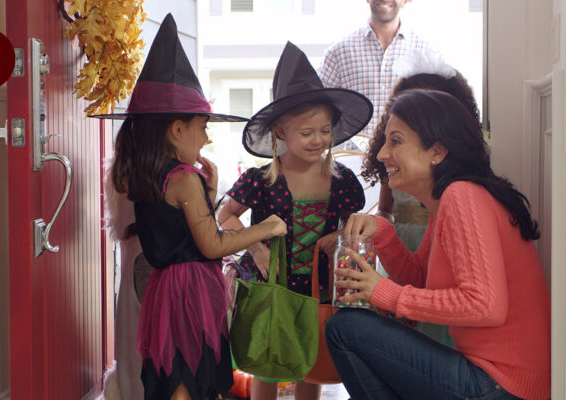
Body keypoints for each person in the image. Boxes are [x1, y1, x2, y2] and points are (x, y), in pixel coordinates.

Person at [94, 14, 288, 400]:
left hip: (164, 292)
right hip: (189, 294)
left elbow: (176, 229)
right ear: (176, 130)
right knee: (190, 375)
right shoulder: (184, 178)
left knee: (174, 377)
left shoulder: (148, 174)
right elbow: (211, 246)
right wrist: (265, 228)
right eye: (201, 126)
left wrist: (209, 192)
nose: (206, 137)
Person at [325, 89, 551, 400]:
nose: (381, 154)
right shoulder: (447, 202)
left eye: (396, 141)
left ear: (438, 151)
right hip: (495, 379)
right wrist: (385, 234)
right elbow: (420, 281)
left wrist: (384, 292)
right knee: (349, 326)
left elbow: (485, 306)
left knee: (345, 328)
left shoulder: (462, 196)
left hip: (502, 385)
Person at [218, 42, 373, 400]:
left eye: (325, 130)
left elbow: (355, 230)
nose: (318, 140)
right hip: (272, 282)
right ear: (281, 132)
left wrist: (340, 238)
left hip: (321, 286)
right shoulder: (261, 180)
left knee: (311, 363)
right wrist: (255, 246)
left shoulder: (343, 181)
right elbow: (225, 217)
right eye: (307, 133)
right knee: (268, 363)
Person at [362, 49, 481, 346]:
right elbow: (386, 209)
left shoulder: (458, 200)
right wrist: (377, 233)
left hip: (442, 245)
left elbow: (479, 301)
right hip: (402, 241)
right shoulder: (396, 165)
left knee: (435, 325)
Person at [319, 0, 430, 151]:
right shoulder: (339, 52)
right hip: (355, 162)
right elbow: (319, 111)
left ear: (405, 1)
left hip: (407, 161)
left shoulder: (424, 53)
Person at [101, 158, 151, 400]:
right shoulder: (153, 168)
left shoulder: (124, 165)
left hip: (135, 254)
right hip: (147, 259)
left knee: (132, 341)